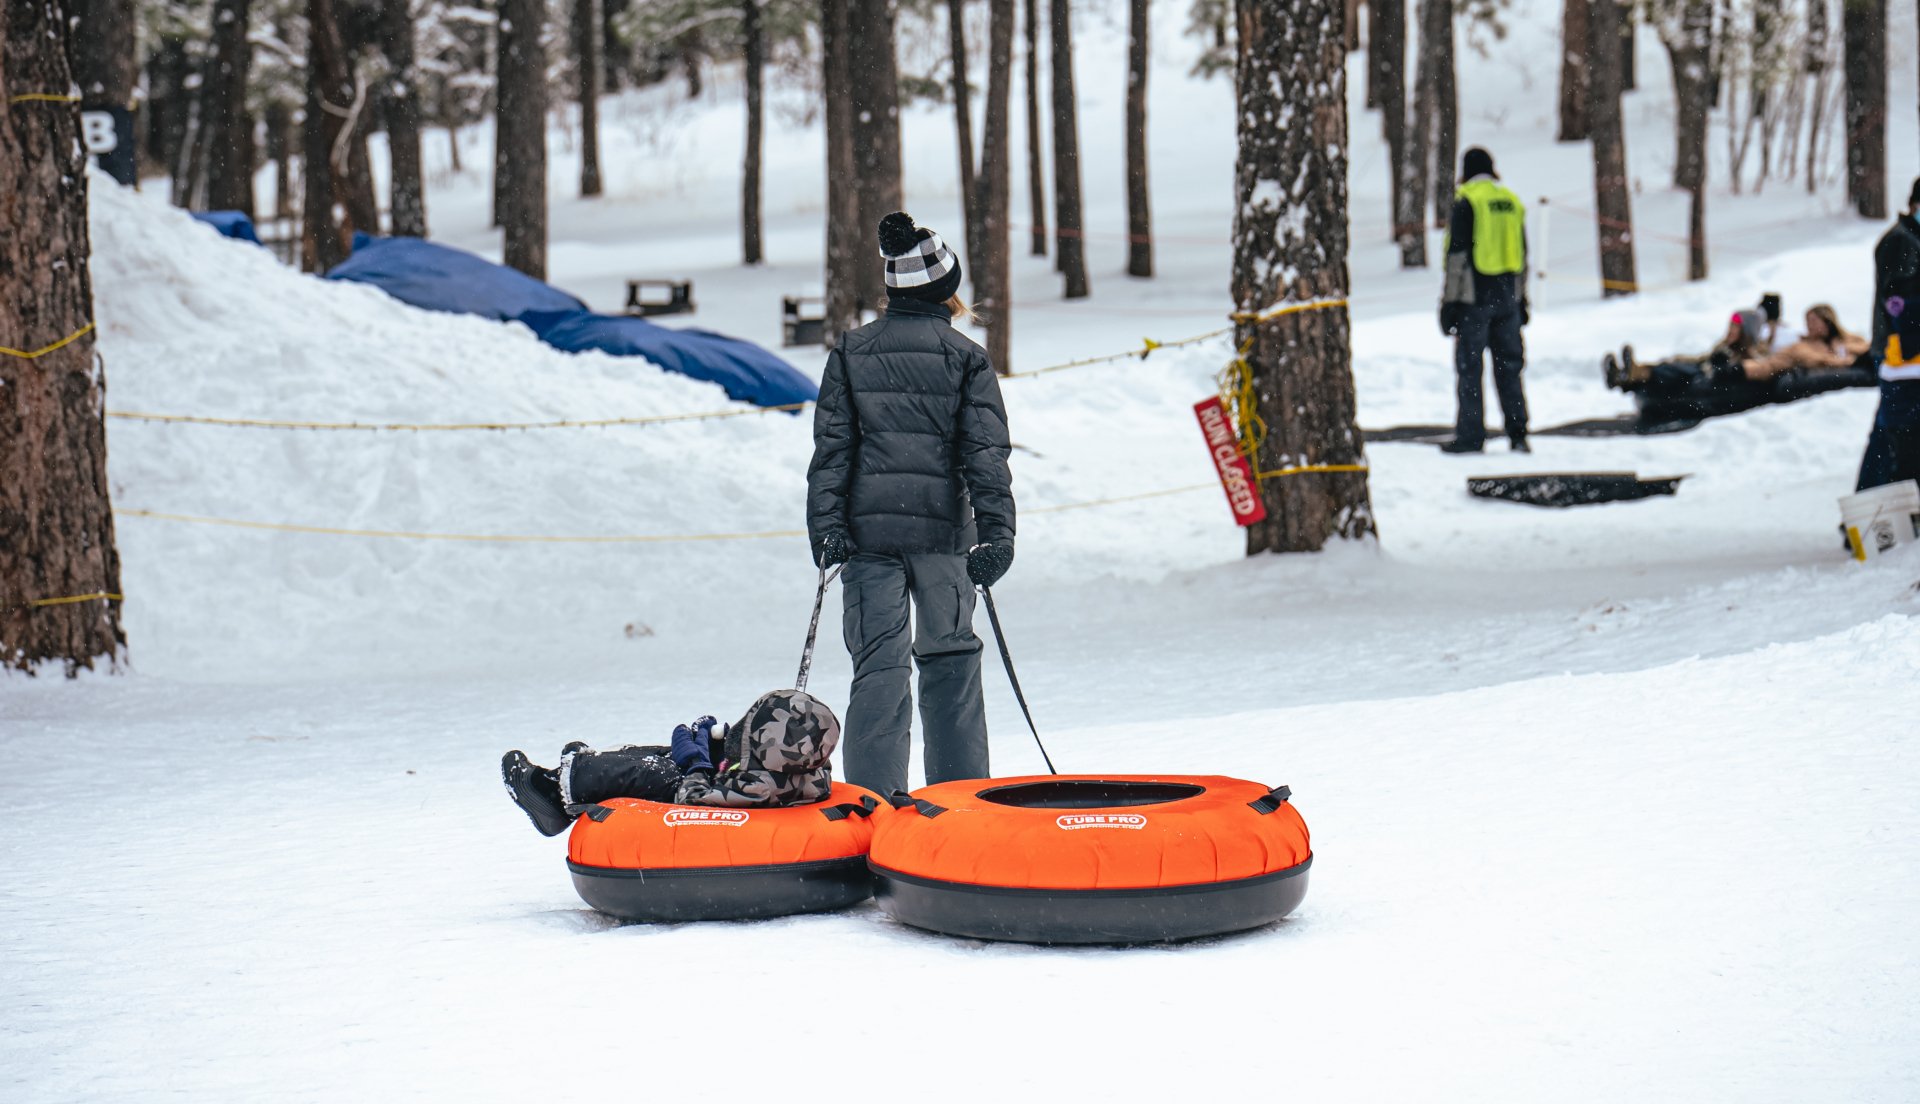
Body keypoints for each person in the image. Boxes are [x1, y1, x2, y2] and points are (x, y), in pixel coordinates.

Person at [806, 211, 1014, 797]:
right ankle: (960, 806)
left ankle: (873, 809)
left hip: (867, 543)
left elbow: (832, 452)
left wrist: (826, 526)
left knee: (879, 670)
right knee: (951, 666)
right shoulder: (967, 358)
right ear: (947, 292)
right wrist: (997, 536)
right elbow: (987, 457)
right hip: (945, 541)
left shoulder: (851, 352)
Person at [499, 689, 841, 836]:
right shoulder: (801, 768)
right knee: (662, 754)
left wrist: (697, 765)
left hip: (694, 799)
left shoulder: (760, 786)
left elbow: (693, 799)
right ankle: (579, 767)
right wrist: (718, 749)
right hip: (721, 784)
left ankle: (552, 794)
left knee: (652, 772)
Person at [1439, 147, 1532, 454]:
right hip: (1507, 293)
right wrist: (1522, 299)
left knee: (1470, 367)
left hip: (1474, 295)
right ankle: (1518, 432)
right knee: (1509, 367)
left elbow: (1457, 256)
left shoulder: (1468, 200)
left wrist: (1449, 303)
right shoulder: (1511, 201)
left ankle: (1471, 434)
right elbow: (1523, 255)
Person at [1856, 176, 1920, 491]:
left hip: (1905, 354)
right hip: (1899, 353)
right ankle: (1873, 507)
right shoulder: (1902, 241)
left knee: (1892, 432)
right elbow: (1898, 303)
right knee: (1892, 433)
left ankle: (1873, 505)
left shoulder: (1911, 238)